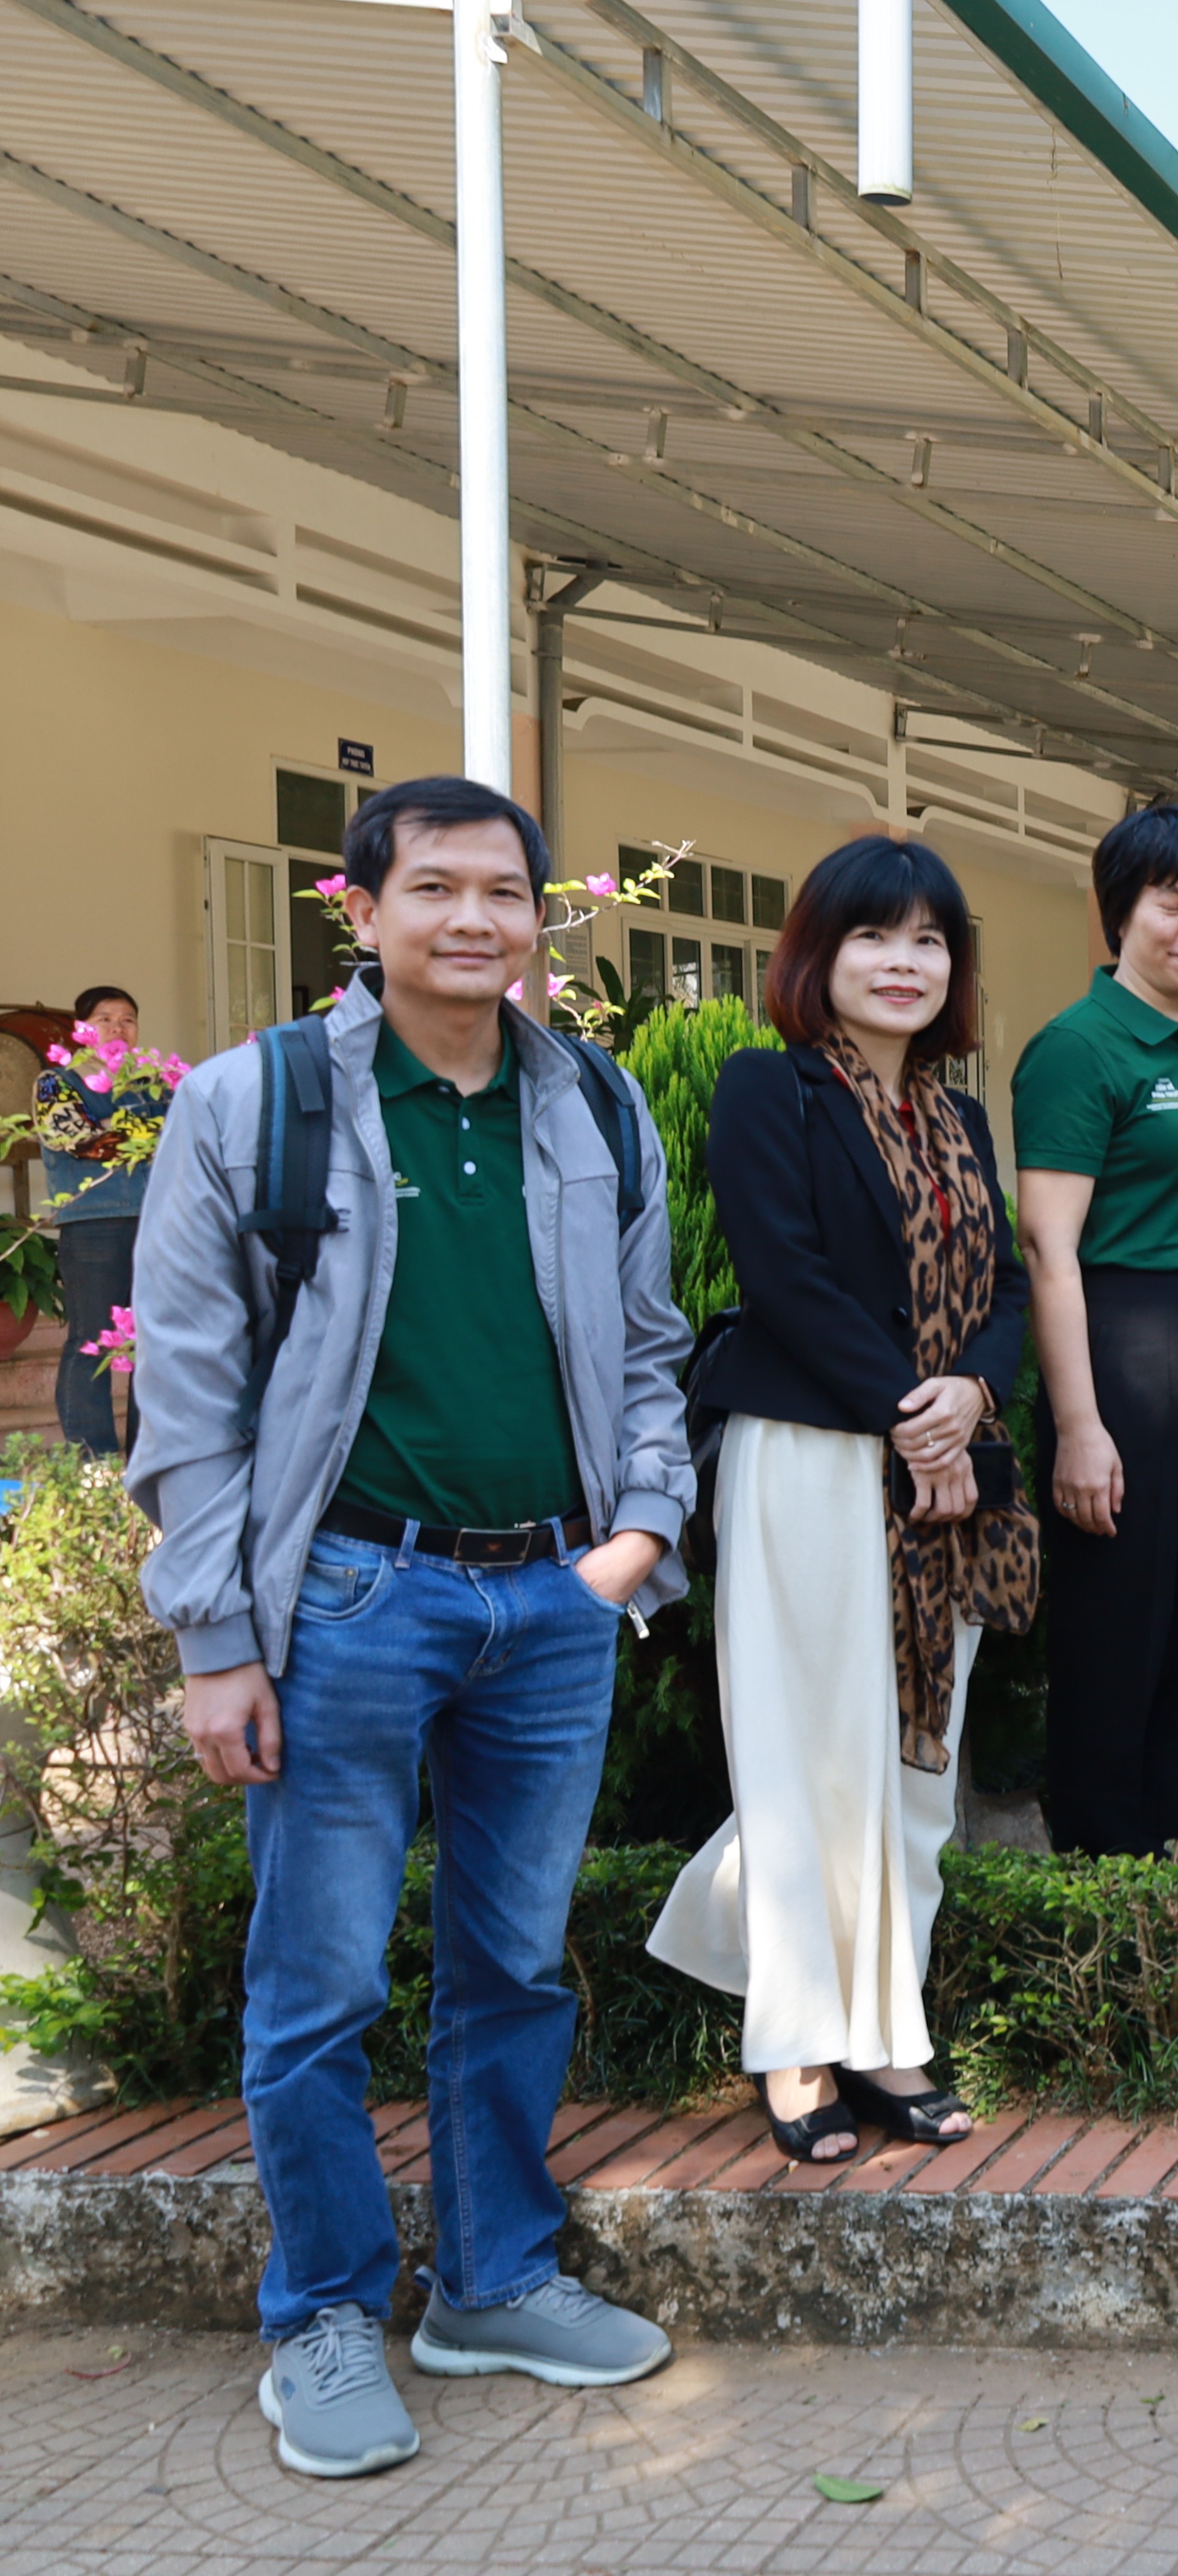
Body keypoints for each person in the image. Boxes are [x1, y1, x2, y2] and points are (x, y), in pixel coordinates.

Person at [127, 776, 688, 2478]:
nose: (472, 921)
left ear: (540, 921)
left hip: (549, 1596)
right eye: (433, 888)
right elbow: (192, 1389)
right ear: (355, 909)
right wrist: (215, 1636)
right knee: (318, 1984)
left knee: (514, 1965)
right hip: (350, 1597)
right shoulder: (261, 1103)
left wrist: (641, 1533)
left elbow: (653, 1341)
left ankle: (496, 2281)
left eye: (504, 894)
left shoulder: (590, 1100)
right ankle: (318, 2315)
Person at [648, 835, 1034, 2163]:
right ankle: (802, 2040)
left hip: (943, 1474)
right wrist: (906, 1408)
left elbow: (1014, 1290)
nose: (905, 962)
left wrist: (970, 1400)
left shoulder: (959, 1118)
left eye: (930, 940)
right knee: (809, 1751)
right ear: (820, 955)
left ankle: (889, 2030)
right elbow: (785, 1273)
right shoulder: (773, 1092)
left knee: (915, 1764)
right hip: (810, 1454)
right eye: (876, 936)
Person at [1009, 804, 1178, 1860]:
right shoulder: (1079, 1048)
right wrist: (1079, 1424)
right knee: (1120, 1605)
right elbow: (1047, 1245)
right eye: (1174, 901)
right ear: (1121, 912)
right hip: (1128, 1335)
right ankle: (1103, 1847)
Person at [38, 982, 161, 1455]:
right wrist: (148, 1131)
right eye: (106, 1018)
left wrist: (121, 1130)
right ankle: (94, 1460)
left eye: (127, 1019)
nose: (118, 1027)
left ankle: (149, 1457)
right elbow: (81, 1140)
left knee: (154, 1344)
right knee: (91, 1340)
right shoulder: (56, 1082)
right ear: (82, 1030)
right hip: (95, 1224)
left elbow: (189, 1135)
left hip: (157, 1224)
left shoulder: (154, 1083)